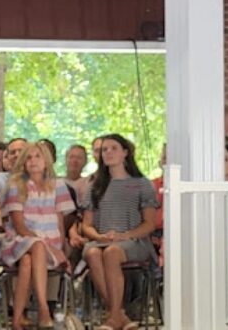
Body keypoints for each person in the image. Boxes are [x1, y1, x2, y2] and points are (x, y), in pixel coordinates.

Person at [80, 134, 159, 330]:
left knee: (112, 252)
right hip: (102, 239)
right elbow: (86, 225)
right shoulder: (95, 186)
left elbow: (150, 223)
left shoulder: (142, 184)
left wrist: (125, 235)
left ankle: (113, 316)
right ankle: (119, 315)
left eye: (113, 148)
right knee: (92, 253)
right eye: (104, 149)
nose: (108, 153)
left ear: (125, 152)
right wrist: (99, 236)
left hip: (134, 241)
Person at [0, 142, 76, 330]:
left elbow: (60, 222)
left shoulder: (58, 185)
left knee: (27, 262)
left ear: (46, 160)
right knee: (36, 247)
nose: (33, 161)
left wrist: (62, 249)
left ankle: (17, 320)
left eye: (37, 156)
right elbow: (19, 226)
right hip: (18, 241)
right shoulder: (16, 185)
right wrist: (49, 249)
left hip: (48, 245)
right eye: (28, 157)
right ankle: (43, 309)